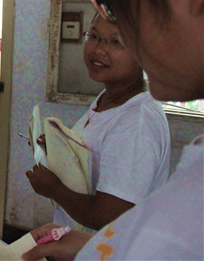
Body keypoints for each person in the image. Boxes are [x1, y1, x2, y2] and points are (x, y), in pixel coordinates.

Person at [23, 0, 203, 260]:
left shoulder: (138, 120)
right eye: (97, 32)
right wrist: (94, 248)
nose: (119, 38)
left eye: (122, 3)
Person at [26, 14, 170, 231]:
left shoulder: (137, 123)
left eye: (116, 42)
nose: (98, 49)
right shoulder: (109, 97)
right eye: (93, 36)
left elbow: (107, 217)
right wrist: (60, 149)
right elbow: (97, 159)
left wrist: (54, 190)